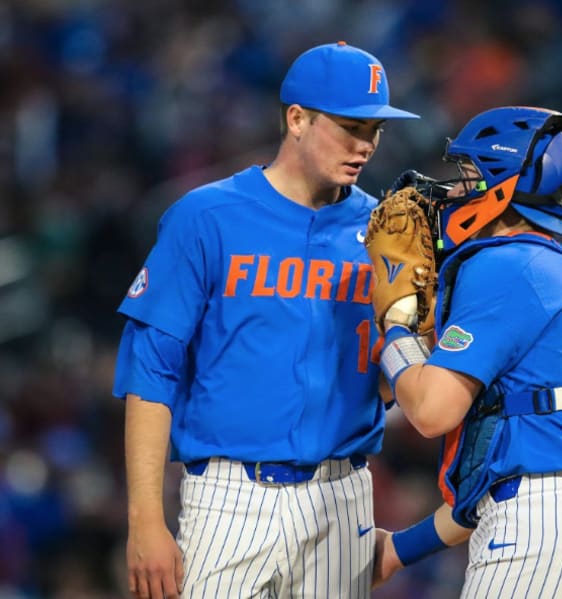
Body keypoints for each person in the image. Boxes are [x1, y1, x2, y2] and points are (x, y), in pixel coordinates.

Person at [112, 41, 419, 599]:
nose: (366, 145)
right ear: (296, 119)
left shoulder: (386, 232)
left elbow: (385, 384)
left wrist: (411, 325)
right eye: (351, 126)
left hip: (342, 493)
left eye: (375, 130)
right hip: (230, 498)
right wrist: (145, 520)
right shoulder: (206, 217)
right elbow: (149, 374)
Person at [368, 106, 562, 597]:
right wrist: (398, 551)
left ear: (502, 187)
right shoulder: (561, 270)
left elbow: (431, 412)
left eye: (469, 176)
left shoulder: (505, 264)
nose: (453, 191)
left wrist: (396, 324)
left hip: (541, 536)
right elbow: (503, 468)